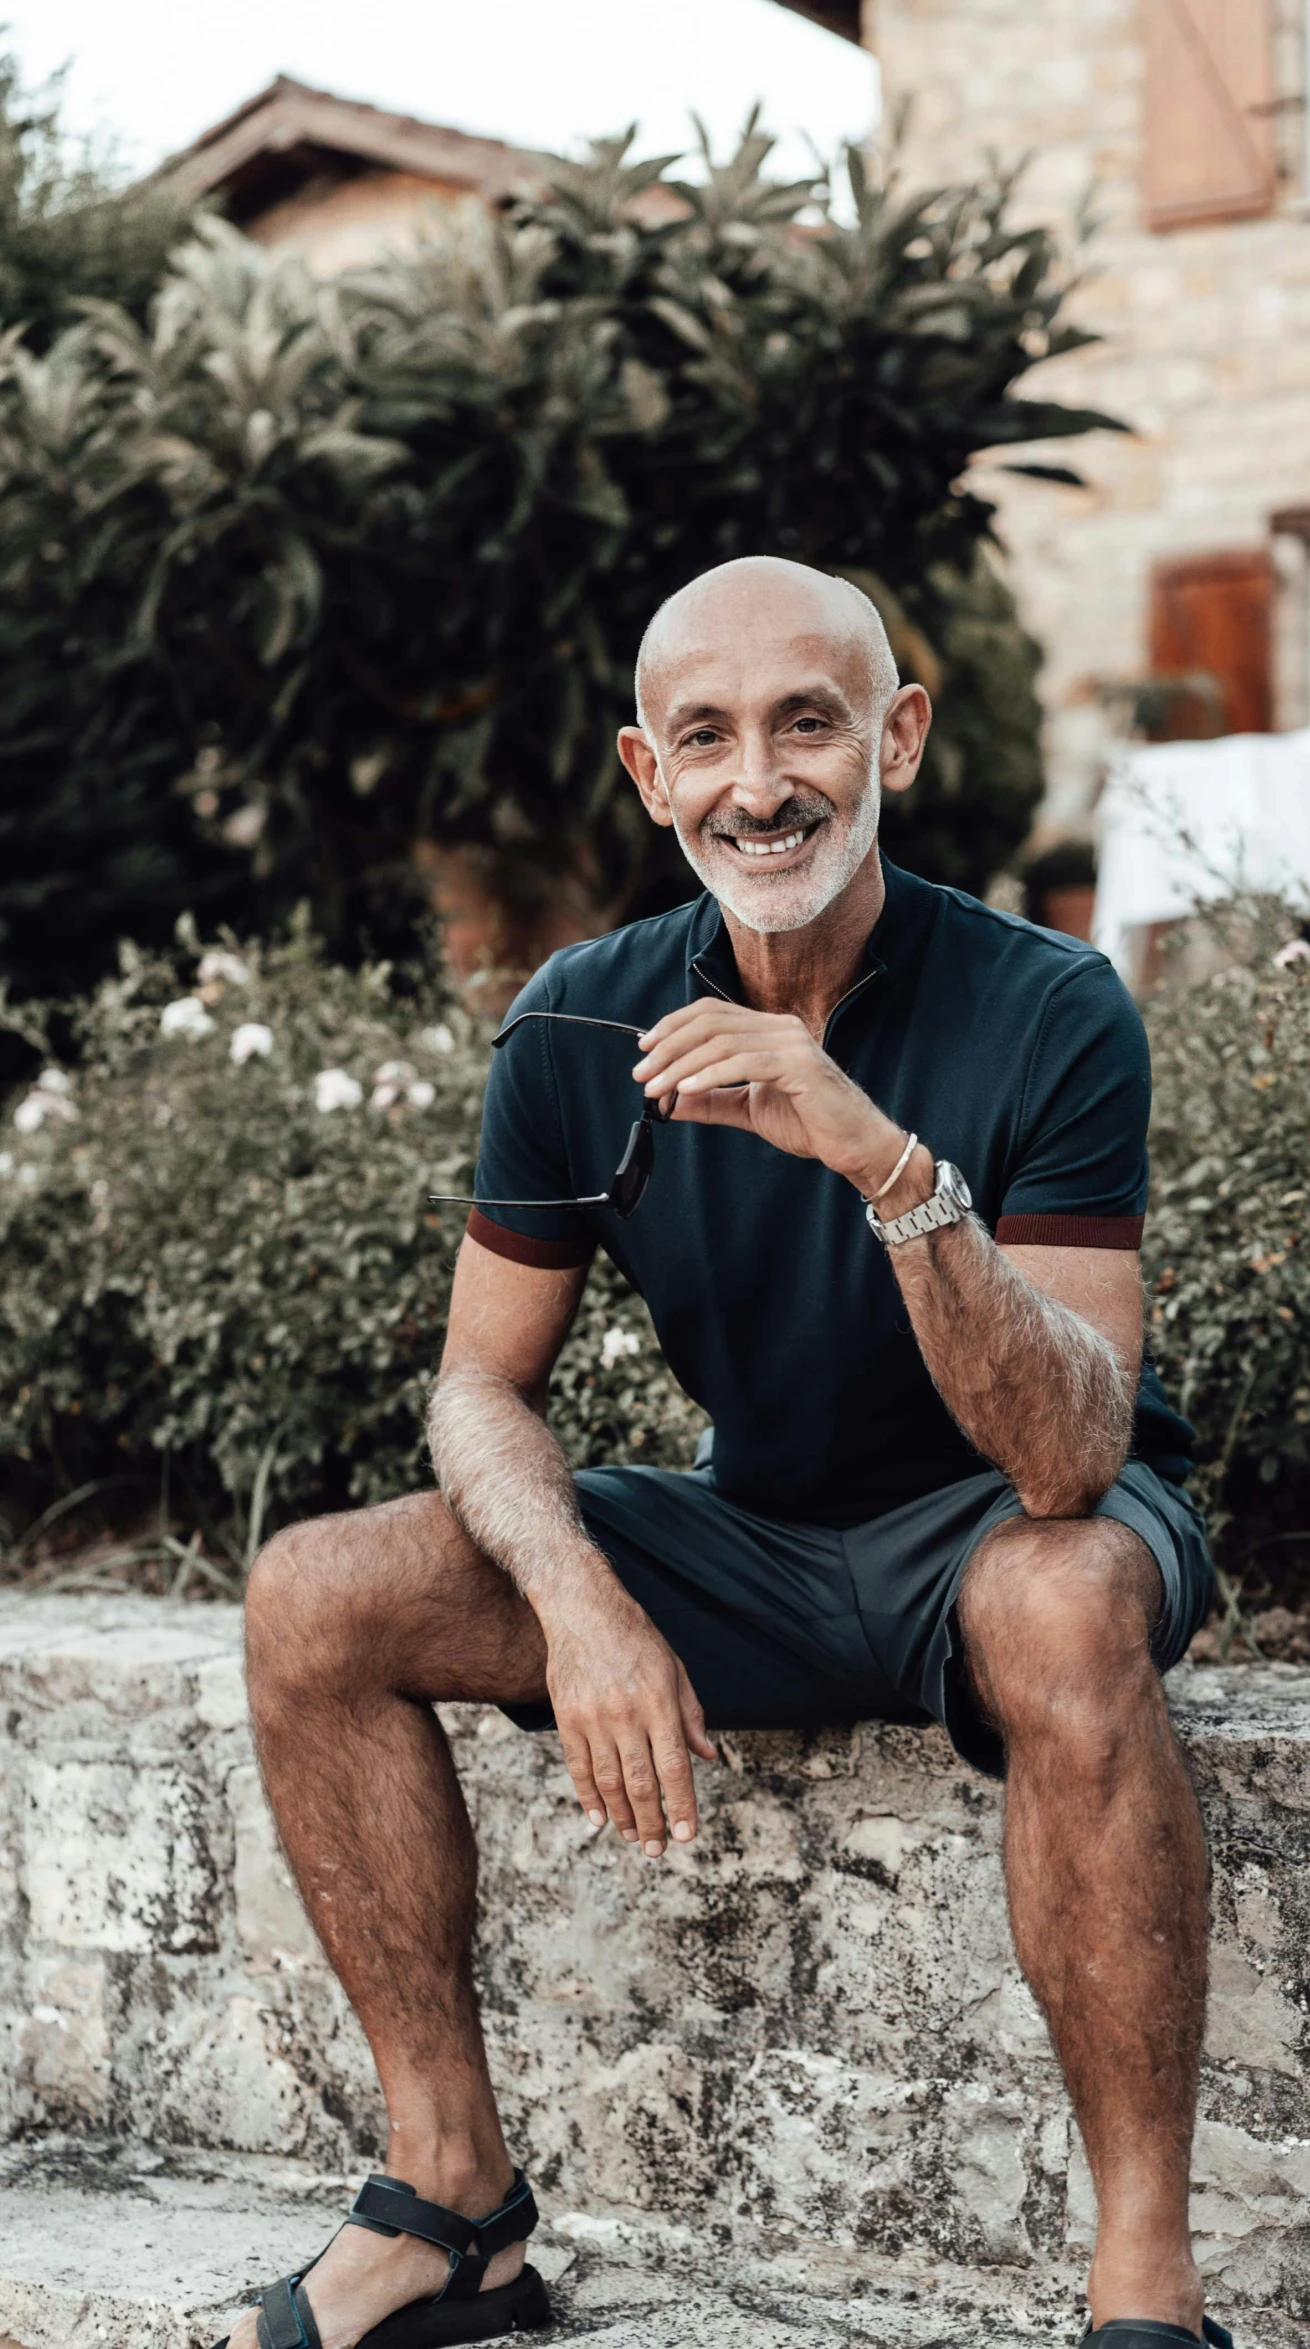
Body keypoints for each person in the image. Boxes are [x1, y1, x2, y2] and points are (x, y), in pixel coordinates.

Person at [214, 558, 1227, 2349]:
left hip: (995, 1532)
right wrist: (580, 1602)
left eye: (807, 722)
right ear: (648, 772)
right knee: (316, 1595)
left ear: (896, 737)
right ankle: (455, 2209)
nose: (759, 782)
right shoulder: (578, 1023)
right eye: (708, 737)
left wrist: (883, 1164)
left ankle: (1143, 2290)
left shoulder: (1053, 1006)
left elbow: (1073, 1452)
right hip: (755, 1537)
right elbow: (478, 1393)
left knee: (1070, 1603)